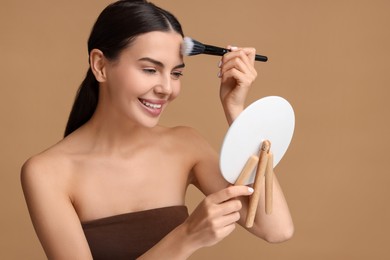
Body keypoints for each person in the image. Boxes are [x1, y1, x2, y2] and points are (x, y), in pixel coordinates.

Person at [21, 0, 294, 259]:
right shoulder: (47, 173)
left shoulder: (185, 145)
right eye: (150, 70)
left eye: (176, 73)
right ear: (100, 65)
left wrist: (236, 111)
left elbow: (276, 229)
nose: (166, 88)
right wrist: (187, 236)